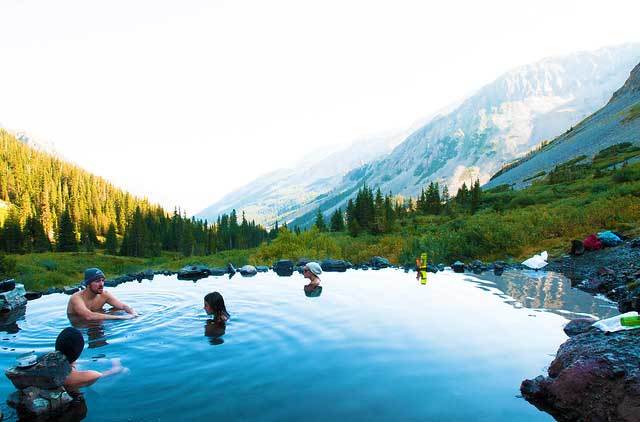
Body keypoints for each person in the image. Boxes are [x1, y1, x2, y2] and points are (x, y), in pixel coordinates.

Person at [55, 327, 125, 390]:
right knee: (125, 370)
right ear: (80, 351)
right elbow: (114, 370)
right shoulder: (92, 375)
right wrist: (116, 363)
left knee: (79, 366)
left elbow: (72, 361)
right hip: (68, 401)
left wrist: (90, 361)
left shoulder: (48, 360)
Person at [67, 268, 137, 321]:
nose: (101, 284)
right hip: (81, 325)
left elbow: (123, 306)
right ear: (88, 284)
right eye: (97, 281)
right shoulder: (76, 298)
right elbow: (89, 316)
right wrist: (122, 318)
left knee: (117, 309)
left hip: (97, 321)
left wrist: (133, 313)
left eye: (103, 280)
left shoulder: (104, 295)